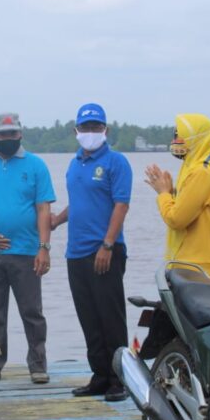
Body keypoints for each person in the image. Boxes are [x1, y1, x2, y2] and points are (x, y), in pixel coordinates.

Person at [50, 103, 131, 403]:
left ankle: (120, 379)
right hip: (76, 252)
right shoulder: (74, 164)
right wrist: (57, 220)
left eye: (96, 127)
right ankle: (99, 376)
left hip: (105, 251)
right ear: (76, 131)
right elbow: (80, 203)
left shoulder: (115, 162)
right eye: (85, 128)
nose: (91, 133)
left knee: (110, 317)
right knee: (88, 317)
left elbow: (121, 205)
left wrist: (108, 244)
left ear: (105, 130)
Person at [0, 113, 56, 385]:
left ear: (21, 133)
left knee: (32, 311)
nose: (8, 138)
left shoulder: (36, 165)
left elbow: (43, 209)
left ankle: (38, 364)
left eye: (13, 133)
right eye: (3, 134)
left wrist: (44, 247)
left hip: (26, 252)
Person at [144, 114, 210, 284]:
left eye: (180, 136)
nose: (176, 141)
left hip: (200, 273)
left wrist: (163, 194)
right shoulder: (204, 168)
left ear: (197, 139)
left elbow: (176, 219)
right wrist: (171, 193)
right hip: (204, 269)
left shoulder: (202, 173)